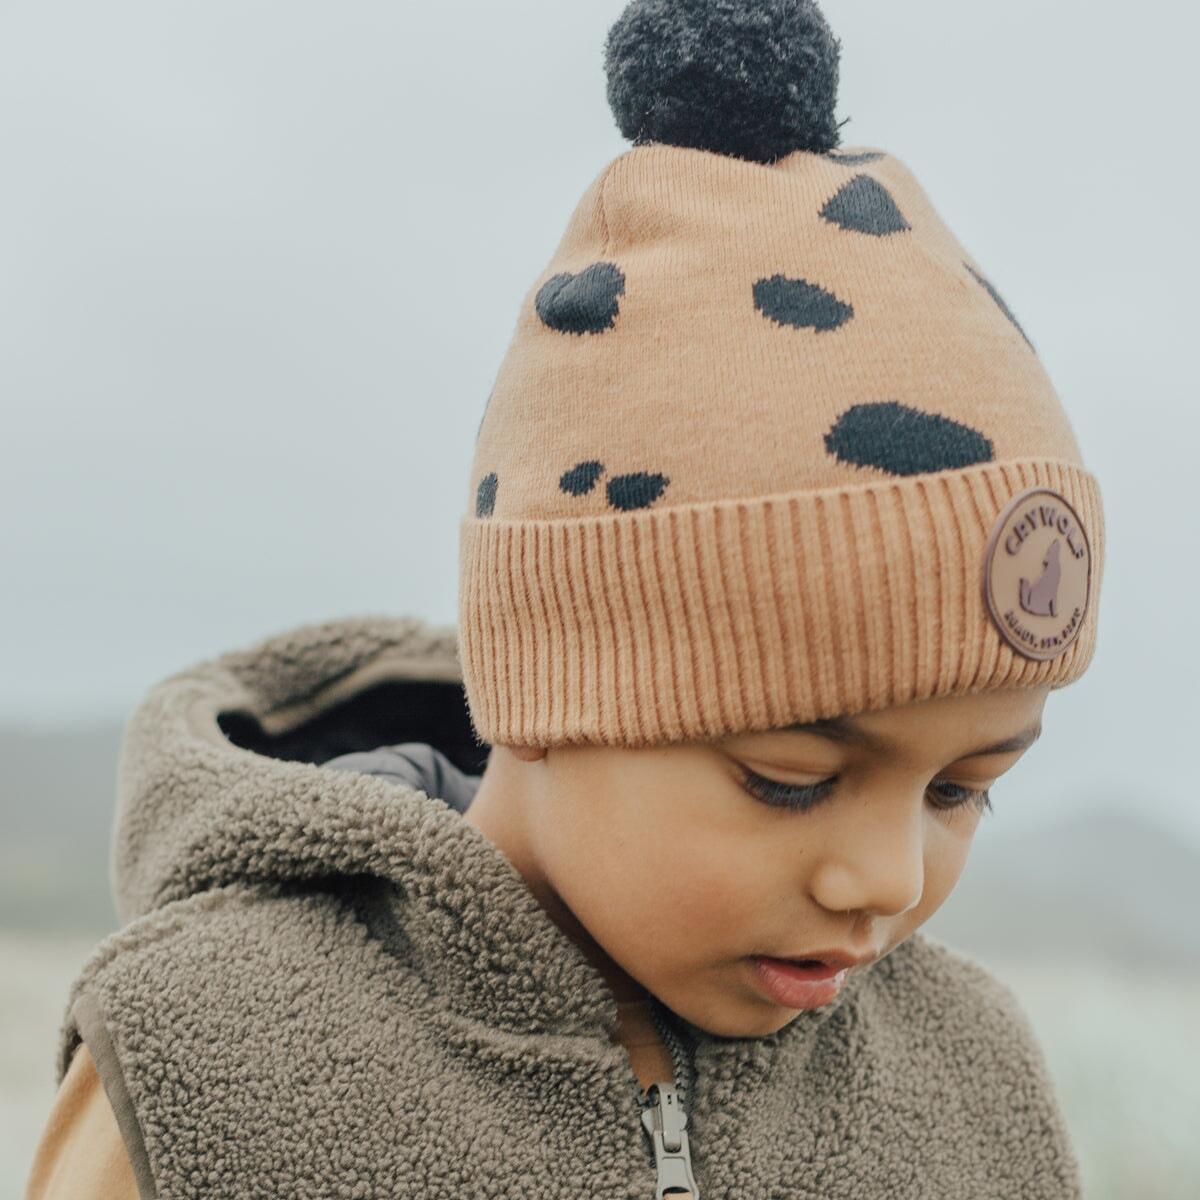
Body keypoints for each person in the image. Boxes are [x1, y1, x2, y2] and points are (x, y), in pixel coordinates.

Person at [23, 0, 1106, 1196]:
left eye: (962, 789)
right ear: (546, 679)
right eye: (791, 778)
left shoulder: (968, 1078)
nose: (888, 882)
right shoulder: (204, 1059)